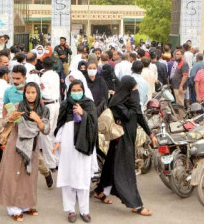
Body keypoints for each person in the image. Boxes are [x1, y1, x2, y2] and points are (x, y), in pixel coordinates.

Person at [94, 76, 155, 216]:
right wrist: (134, 104)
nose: (136, 91)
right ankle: (135, 204)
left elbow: (139, 117)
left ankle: (99, 191)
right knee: (126, 172)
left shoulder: (131, 101)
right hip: (120, 140)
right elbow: (128, 115)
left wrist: (150, 134)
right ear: (127, 89)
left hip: (128, 139)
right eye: (134, 89)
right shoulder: (116, 102)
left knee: (110, 166)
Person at [0, 82, 50, 221]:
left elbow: (46, 130)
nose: (30, 95)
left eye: (33, 92)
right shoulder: (18, 106)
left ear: (37, 94)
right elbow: (4, 123)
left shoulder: (43, 109)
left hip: (32, 146)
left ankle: (25, 205)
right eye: (28, 92)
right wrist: (11, 118)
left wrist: (38, 120)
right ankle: (13, 209)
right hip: (16, 143)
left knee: (29, 176)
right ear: (24, 94)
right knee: (13, 176)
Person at [53, 80, 98, 223]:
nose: (77, 92)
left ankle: (85, 211)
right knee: (68, 177)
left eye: (79, 89)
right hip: (67, 145)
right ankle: (71, 210)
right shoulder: (65, 104)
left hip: (83, 144)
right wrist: (58, 141)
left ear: (83, 90)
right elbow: (60, 124)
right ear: (69, 91)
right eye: (74, 90)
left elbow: (93, 123)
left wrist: (82, 113)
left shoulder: (89, 104)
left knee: (83, 177)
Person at [40, 57, 60, 170]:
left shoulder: (43, 77)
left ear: (43, 65)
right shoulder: (55, 75)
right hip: (56, 104)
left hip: (48, 105)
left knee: (45, 134)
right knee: (53, 133)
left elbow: (43, 92)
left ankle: (50, 163)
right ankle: (56, 160)